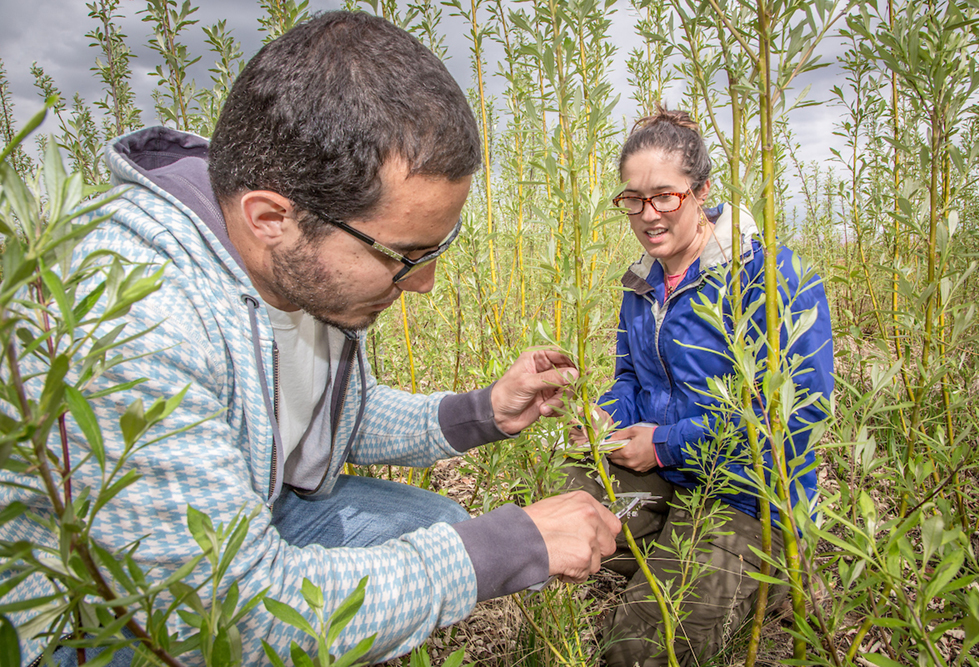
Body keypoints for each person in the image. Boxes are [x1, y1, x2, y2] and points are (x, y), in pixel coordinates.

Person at [0, 11, 620, 666]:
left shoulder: (301, 262)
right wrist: (502, 548)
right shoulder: (140, 317)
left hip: (252, 517)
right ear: (271, 217)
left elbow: (334, 418)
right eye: (403, 254)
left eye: (436, 249)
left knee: (439, 524)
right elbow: (237, 617)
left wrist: (481, 410)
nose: (424, 284)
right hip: (109, 610)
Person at [567, 108, 834, 666]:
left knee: (636, 653)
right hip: (667, 472)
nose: (648, 215)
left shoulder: (769, 277)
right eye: (633, 199)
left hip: (740, 487)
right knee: (558, 503)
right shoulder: (642, 283)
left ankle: (772, 569)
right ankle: (683, 555)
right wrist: (605, 416)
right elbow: (630, 378)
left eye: (665, 196)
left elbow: (792, 418)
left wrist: (663, 444)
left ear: (703, 191)